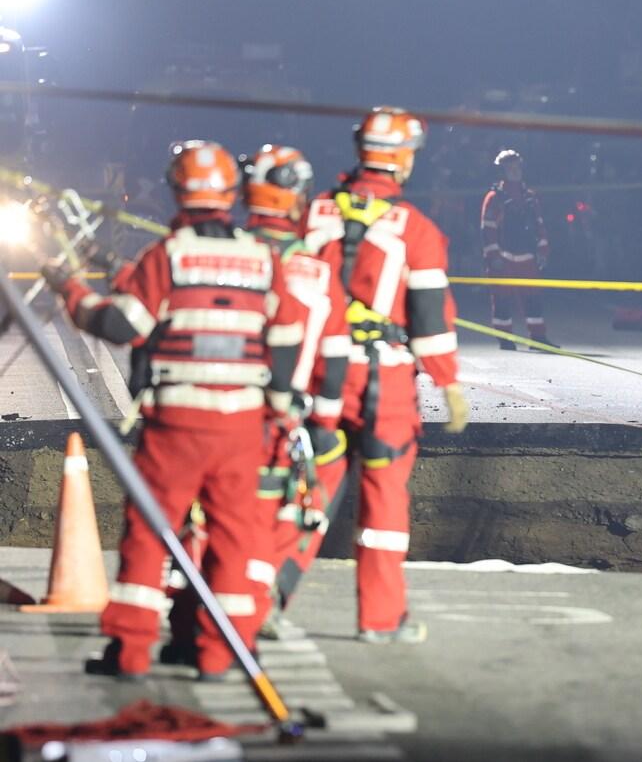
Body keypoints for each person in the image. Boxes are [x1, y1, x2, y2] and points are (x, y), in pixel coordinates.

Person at [44, 140, 307, 680]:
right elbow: (286, 339)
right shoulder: (263, 259)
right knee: (235, 538)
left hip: (177, 427)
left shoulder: (169, 255)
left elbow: (123, 325)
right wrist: (280, 409)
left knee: (150, 533)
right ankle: (220, 653)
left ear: (176, 190)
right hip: (242, 427)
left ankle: (130, 651)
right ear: (231, 194)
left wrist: (68, 289)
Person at [303, 106, 470, 644]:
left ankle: (254, 607)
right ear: (401, 159)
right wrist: (449, 383)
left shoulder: (312, 215)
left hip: (316, 379)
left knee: (302, 493)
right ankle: (380, 620)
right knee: (382, 502)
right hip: (384, 387)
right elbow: (429, 320)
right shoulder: (417, 230)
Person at [239, 145, 351, 629]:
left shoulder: (228, 253)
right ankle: (271, 592)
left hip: (210, 411)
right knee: (312, 489)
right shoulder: (318, 270)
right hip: (284, 420)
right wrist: (325, 422)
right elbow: (335, 353)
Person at [480, 149, 555, 350]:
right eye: (510, 167)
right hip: (503, 257)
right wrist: (493, 255)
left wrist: (543, 250)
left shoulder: (530, 197)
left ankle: (538, 338)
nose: (515, 170)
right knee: (502, 299)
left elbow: (539, 225)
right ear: (502, 171)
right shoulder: (494, 198)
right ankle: (505, 339)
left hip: (526, 257)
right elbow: (488, 228)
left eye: (517, 166)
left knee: (533, 298)